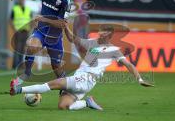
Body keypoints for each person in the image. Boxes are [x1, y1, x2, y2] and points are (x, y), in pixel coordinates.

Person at [10, 24, 154, 110]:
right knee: (63, 106)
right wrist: (66, 26)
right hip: (80, 78)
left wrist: (140, 79)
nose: (100, 32)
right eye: (100, 30)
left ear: (109, 35)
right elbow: (73, 38)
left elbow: (128, 65)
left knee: (54, 83)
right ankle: (87, 103)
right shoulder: (92, 42)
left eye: (103, 31)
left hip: (86, 79)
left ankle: (18, 90)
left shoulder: (114, 50)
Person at [6, 0, 70, 88]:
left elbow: (61, 24)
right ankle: (27, 73)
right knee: (31, 46)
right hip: (40, 32)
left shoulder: (65, 1)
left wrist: (43, 19)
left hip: (54, 37)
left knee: (56, 66)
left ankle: (65, 85)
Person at [10, 0, 32, 69]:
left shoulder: (28, 9)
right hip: (18, 31)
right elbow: (10, 20)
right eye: (21, 0)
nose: (22, 1)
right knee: (17, 48)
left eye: (23, 0)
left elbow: (31, 20)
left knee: (23, 49)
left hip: (26, 31)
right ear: (18, 1)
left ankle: (20, 65)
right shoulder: (15, 9)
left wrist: (30, 29)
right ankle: (15, 65)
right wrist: (15, 29)